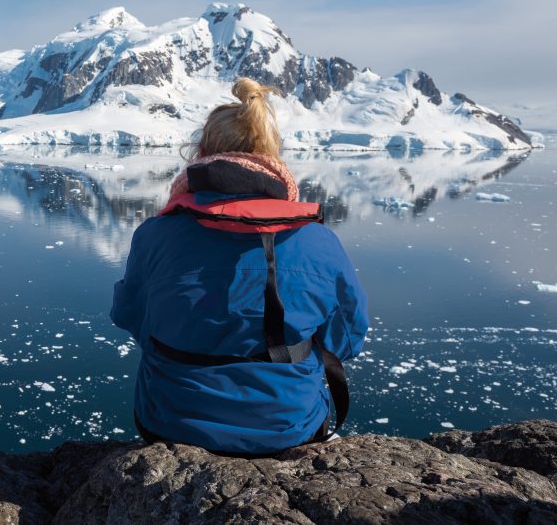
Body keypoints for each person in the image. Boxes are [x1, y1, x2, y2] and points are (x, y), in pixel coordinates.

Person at [111, 77, 369, 455]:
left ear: (201, 152)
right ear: (271, 153)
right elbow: (347, 337)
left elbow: (130, 315)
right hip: (290, 423)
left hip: (172, 421)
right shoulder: (317, 241)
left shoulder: (156, 234)